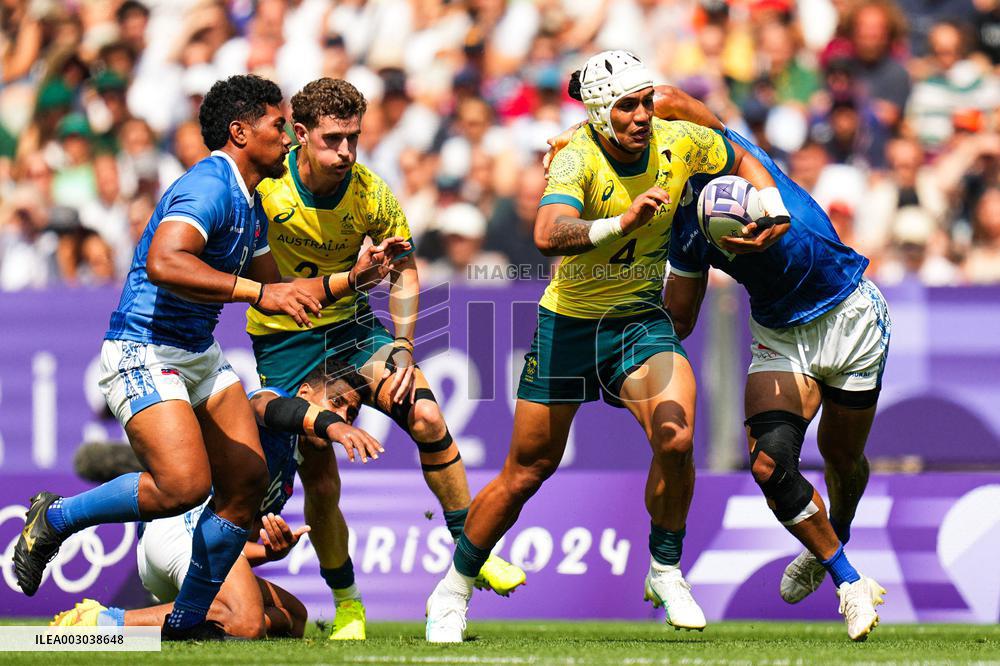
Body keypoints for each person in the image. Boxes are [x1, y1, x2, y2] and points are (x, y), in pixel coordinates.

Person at [13, 74, 408, 640]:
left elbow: (282, 288)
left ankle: (183, 623)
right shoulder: (210, 186)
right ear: (240, 131)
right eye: (279, 126)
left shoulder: (252, 202)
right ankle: (53, 519)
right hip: (142, 347)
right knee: (184, 485)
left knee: (245, 482)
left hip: (196, 351)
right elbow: (165, 263)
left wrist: (356, 278)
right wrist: (257, 294)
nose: (290, 140)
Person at [424, 50, 792, 643]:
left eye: (647, 100)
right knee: (526, 471)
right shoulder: (576, 160)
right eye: (628, 104)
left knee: (676, 437)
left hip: (639, 321)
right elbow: (547, 234)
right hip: (569, 325)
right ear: (598, 113)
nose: (644, 114)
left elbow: (741, 154)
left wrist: (771, 205)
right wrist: (619, 222)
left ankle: (665, 569)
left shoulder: (678, 141)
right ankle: (453, 589)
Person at [247, 77, 526, 639]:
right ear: (299, 135)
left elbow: (405, 270)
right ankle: (348, 603)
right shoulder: (265, 190)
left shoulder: (371, 192)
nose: (346, 152)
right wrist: (351, 277)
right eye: (333, 140)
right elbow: (267, 283)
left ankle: (470, 550)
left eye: (354, 138)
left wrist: (401, 344)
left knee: (426, 416)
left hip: (354, 332)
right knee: (321, 482)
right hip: (288, 342)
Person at [639, 86, 888, 641]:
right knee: (769, 467)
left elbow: (673, 96)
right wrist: (627, 330)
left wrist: (603, 118)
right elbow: (679, 319)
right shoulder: (682, 227)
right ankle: (849, 581)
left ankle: (835, 533)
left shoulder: (728, 153)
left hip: (849, 314)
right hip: (779, 334)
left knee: (842, 457)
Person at [48, 361, 378, 639]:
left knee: (292, 618)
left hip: (193, 549)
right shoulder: (273, 404)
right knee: (248, 624)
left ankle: (208, 619)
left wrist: (271, 552)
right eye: (336, 403)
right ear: (305, 394)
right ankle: (103, 623)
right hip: (177, 530)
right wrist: (330, 425)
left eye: (351, 413)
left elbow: (230, 543)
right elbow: (265, 407)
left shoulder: (289, 469)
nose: (344, 417)